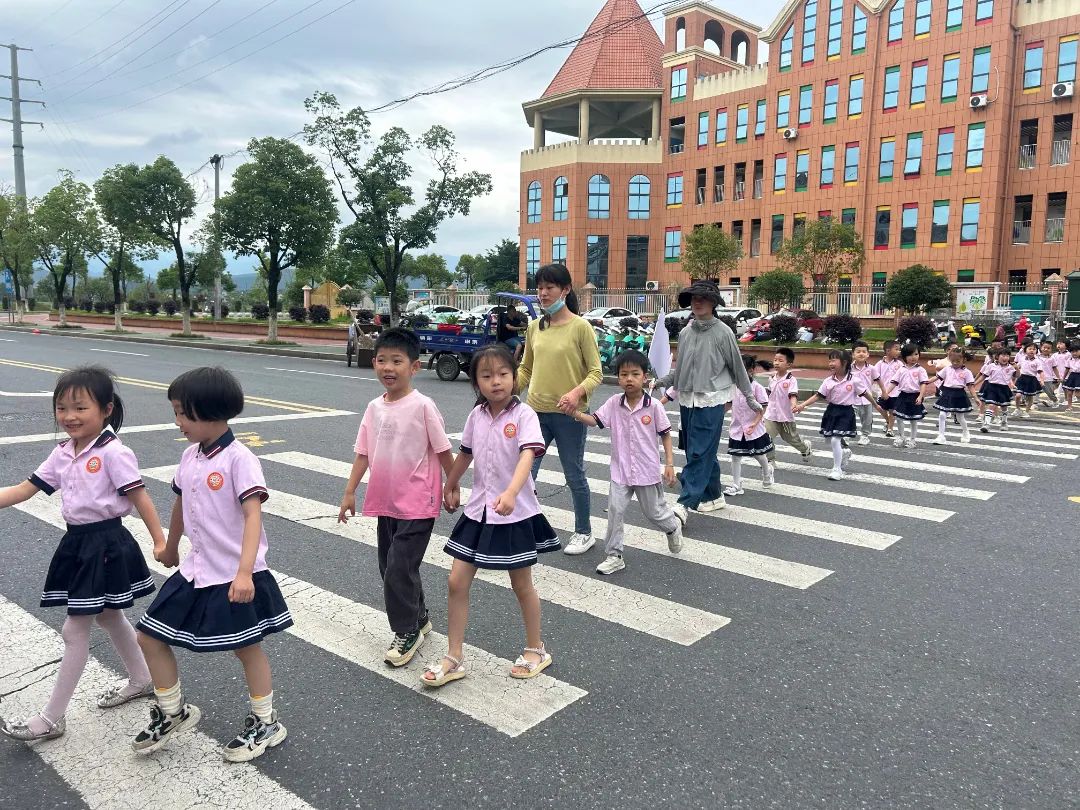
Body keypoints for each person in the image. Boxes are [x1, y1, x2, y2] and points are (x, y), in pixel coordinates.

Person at [133, 367, 293, 762]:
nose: (177, 422)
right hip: (196, 568)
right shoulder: (189, 456)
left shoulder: (240, 460)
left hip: (236, 573)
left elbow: (253, 516)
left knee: (247, 648)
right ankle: (173, 711)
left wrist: (244, 572)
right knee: (149, 637)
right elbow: (180, 504)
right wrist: (170, 549)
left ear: (209, 412)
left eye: (182, 414)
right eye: (176, 413)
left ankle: (265, 722)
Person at [0, 367, 163, 743]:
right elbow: (26, 489)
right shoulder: (63, 453)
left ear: (106, 409)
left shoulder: (113, 452)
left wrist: (160, 541)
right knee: (109, 616)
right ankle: (142, 679)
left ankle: (51, 718)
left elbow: (140, 497)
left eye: (79, 407)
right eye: (61, 408)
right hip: (78, 543)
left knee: (75, 630)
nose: (69, 416)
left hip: (105, 544)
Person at [423, 345, 558, 687]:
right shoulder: (476, 416)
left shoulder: (524, 415)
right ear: (476, 382)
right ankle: (454, 656)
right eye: (486, 376)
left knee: (520, 583)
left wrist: (512, 492)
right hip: (480, 509)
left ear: (514, 377)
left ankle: (536, 648)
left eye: (503, 374)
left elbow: (529, 454)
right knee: (456, 581)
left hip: (515, 513)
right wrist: (449, 484)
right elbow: (465, 454)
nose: (496, 381)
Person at [338, 328, 454, 667]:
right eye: (382, 360)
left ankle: (406, 631)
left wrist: (453, 484)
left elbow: (443, 449)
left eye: (397, 361)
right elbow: (363, 452)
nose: (388, 368)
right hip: (386, 501)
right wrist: (349, 492)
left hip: (419, 501)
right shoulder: (374, 408)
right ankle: (418, 618)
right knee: (390, 566)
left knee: (399, 568)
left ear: (414, 367)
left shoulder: (422, 405)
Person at [656, 280, 760, 523]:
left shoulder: (723, 332)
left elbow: (738, 368)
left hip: (712, 400)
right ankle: (714, 496)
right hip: (687, 400)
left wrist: (750, 397)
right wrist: (659, 381)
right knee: (698, 449)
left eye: (703, 298)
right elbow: (679, 370)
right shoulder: (685, 332)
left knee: (699, 452)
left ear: (714, 302)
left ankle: (685, 503)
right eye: (693, 298)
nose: (697, 302)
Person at [518, 264, 603, 555]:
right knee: (526, 473)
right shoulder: (534, 328)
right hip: (534, 413)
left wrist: (575, 393)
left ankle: (584, 532)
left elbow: (595, 373)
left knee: (573, 474)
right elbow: (526, 369)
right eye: (539, 287)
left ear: (565, 290)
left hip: (570, 416)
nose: (542, 293)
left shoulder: (581, 327)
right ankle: (524, 526)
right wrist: (502, 392)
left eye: (549, 287)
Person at [572, 349, 682, 576]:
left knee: (654, 513)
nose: (629, 379)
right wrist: (574, 412)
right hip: (620, 470)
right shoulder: (614, 403)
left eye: (634, 374)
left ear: (645, 377)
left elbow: (665, 434)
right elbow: (594, 421)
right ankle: (614, 555)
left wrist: (669, 465)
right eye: (624, 374)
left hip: (647, 470)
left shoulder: (653, 406)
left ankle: (672, 527)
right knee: (615, 511)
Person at [793, 350, 881, 481]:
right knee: (829, 440)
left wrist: (875, 404)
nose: (830, 363)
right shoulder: (829, 381)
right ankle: (844, 452)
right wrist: (802, 405)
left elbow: (865, 393)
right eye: (830, 360)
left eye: (834, 360)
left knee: (835, 440)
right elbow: (818, 395)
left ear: (844, 362)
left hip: (846, 412)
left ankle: (837, 469)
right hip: (831, 411)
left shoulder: (854, 380)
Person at [722, 355, 774, 496]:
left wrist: (754, 424)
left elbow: (763, 407)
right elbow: (728, 403)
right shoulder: (733, 387)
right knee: (735, 456)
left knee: (758, 454)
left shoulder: (757, 388)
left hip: (754, 428)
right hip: (737, 428)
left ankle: (767, 470)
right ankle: (737, 484)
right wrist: (718, 416)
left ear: (751, 370)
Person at [764, 347, 813, 467]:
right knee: (765, 437)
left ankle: (805, 448)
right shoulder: (771, 378)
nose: (776, 363)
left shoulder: (791, 380)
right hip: (771, 415)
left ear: (789, 364)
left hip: (785, 416)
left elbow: (793, 394)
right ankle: (770, 460)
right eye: (775, 360)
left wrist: (794, 405)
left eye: (780, 360)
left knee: (792, 439)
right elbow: (769, 395)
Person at [885, 345, 931, 448]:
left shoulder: (920, 370)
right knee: (899, 417)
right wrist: (886, 393)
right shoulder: (901, 369)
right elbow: (894, 382)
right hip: (902, 396)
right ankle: (901, 436)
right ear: (905, 356)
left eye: (916, 354)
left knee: (913, 419)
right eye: (910, 355)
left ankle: (913, 439)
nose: (913, 357)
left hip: (914, 396)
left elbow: (923, 384)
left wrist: (920, 396)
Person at [931, 347, 977, 445]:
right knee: (942, 414)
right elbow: (937, 377)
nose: (955, 363)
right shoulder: (947, 369)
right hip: (946, 393)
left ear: (964, 359)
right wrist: (925, 381)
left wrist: (975, 397)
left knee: (960, 417)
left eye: (958, 361)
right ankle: (941, 436)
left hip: (959, 394)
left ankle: (966, 431)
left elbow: (970, 386)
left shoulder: (967, 372)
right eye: (953, 361)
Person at [979, 349, 1018, 432]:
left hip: (1003, 388)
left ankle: (1004, 422)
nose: (1005, 358)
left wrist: (1016, 367)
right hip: (992, 387)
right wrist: (974, 383)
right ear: (997, 357)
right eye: (1003, 355)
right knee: (991, 405)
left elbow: (1017, 375)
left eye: (1007, 356)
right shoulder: (991, 366)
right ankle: (987, 424)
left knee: (1004, 406)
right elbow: (984, 376)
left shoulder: (1010, 367)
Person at [850, 340, 878, 446]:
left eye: (864, 351)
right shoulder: (849, 368)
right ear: (853, 354)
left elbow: (878, 381)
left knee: (867, 419)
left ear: (868, 354)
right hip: (852, 398)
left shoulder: (872, 368)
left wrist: (881, 393)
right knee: (849, 417)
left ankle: (865, 436)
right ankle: (847, 434)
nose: (861, 353)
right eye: (858, 351)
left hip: (867, 398)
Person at [873, 340, 903, 438]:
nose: (899, 351)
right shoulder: (880, 364)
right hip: (882, 391)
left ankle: (890, 429)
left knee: (892, 411)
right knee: (881, 409)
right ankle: (887, 421)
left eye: (899, 349)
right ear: (888, 351)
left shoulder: (899, 364)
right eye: (896, 349)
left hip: (895, 392)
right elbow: (875, 376)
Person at [1014, 342, 1045, 417]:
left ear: (1036, 351)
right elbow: (1017, 367)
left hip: (1031, 379)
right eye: (1030, 349)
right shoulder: (1022, 359)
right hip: (1022, 378)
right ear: (1025, 351)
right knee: (1018, 395)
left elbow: (1040, 372)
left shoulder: (1037, 361)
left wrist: (1042, 380)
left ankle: (1026, 411)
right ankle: (1017, 409)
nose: (1032, 351)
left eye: (1034, 349)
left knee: (1030, 397)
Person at [1037, 341, 1061, 408]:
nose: (1046, 349)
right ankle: (1033, 403)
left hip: (1048, 378)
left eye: (1048, 348)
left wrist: (1058, 377)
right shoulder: (1036, 357)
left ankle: (1055, 401)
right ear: (1041, 348)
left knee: (1049, 392)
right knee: (1034, 391)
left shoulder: (1052, 358)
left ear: (1051, 349)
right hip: (1037, 377)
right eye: (1044, 347)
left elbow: (1055, 368)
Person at [1061, 342, 1080, 411]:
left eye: (1076, 351)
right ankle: (1069, 407)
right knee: (1069, 393)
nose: (1074, 353)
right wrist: (1063, 378)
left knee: (1078, 394)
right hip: (1072, 376)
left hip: (1079, 376)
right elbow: (1067, 369)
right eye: (1072, 352)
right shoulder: (1069, 359)